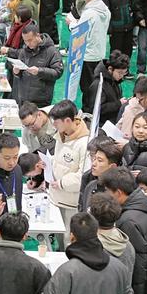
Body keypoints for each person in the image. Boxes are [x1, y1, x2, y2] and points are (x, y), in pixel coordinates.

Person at [46, 100, 90, 233]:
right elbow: (61, 161)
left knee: (68, 238)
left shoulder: (85, 143)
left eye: (56, 122)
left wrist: (61, 183)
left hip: (71, 202)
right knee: (57, 235)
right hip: (56, 196)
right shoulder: (61, 135)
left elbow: (84, 176)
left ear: (67, 121)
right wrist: (48, 162)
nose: (53, 124)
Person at [67, 0, 111, 96]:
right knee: (96, 86)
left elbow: (79, 33)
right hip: (100, 53)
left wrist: (71, 24)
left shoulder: (89, 13)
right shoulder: (106, 11)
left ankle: (88, 106)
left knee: (87, 88)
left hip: (87, 55)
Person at [6, 23, 63, 108]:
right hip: (23, 99)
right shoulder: (24, 51)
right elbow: (20, 72)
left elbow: (58, 72)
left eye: (30, 40)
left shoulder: (52, 52)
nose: (27, 43)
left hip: (41, 101)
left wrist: (39, 71)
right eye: (25, 41)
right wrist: (16, 72)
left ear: (38, 36)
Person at [84, 50, 130, 127]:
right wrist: (118, 104)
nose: (121, 76)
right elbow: (95, 109)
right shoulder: (98, 85)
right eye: (120, 73)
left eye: (124, 73)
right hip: (101, 125)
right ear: (110, 69)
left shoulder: (114, 81)